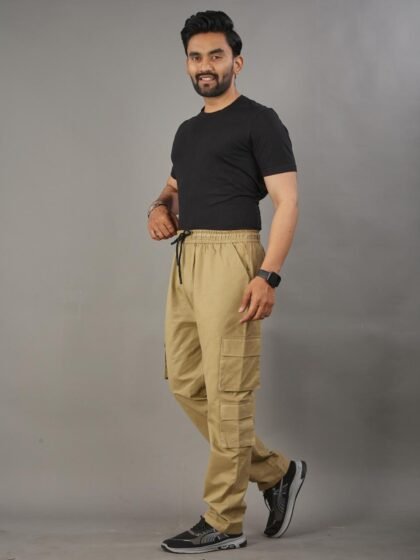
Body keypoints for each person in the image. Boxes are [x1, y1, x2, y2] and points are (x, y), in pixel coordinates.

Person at [147, 10, 307, 554]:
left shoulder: (260, 121)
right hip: (187, 257)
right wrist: (158, 208)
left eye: (216, 55)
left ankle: (224, 520)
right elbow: (173, 188)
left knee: (229, 392)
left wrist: (268, 274)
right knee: (186, 383)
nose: (205, 65)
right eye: (196, 57)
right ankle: (277, 472)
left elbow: (287, 202)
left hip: (233, 255)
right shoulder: (187, 130)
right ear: (187, 64)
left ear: (237, 62)